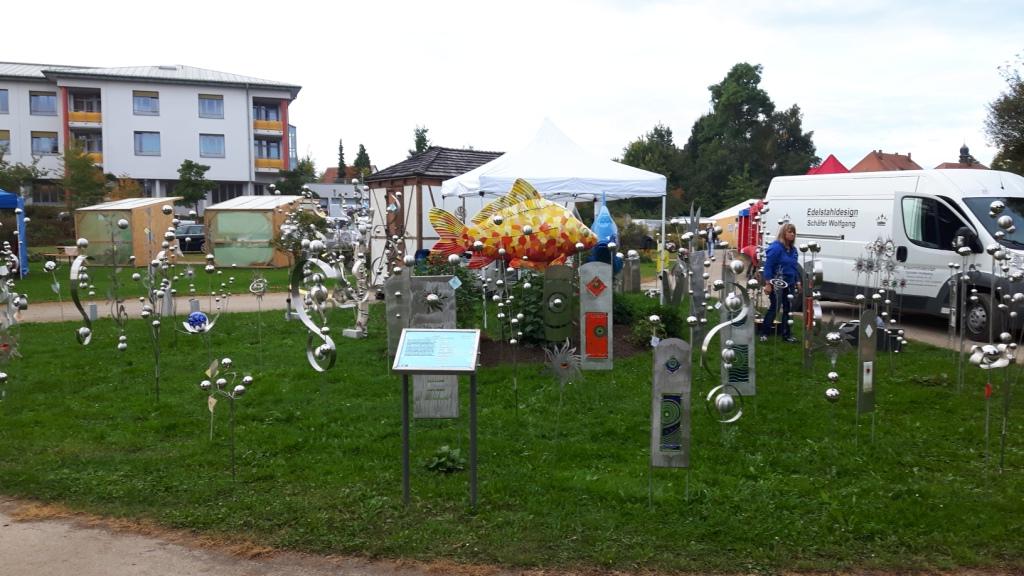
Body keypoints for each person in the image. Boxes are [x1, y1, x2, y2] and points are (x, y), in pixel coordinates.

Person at [759, 223, 801, 343]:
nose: (792, 234)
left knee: (788, 309)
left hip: (790, 283)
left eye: (793, 232)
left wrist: (797, 281)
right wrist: (768, 283)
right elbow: (768, 266)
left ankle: (786, 334)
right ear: (783, 233)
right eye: (789, 231)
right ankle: (764, 333)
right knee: (775, 308)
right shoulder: (776, 248)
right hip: (777, 282)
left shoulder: (793, 250)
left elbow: (794, 267)